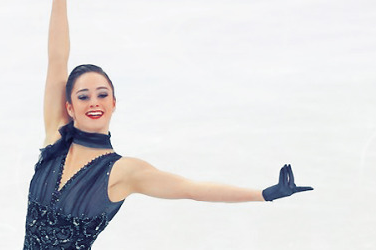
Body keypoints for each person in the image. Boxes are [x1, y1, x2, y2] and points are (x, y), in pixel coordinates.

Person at [23, 1, 314, 249]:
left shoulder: (124, 171)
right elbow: (57, 58)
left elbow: (191, 188)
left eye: (102, 95)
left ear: (114, 103)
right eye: (83, 96)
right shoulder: (55, 140)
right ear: (69, 107)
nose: (94, 103)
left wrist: (262, 194)